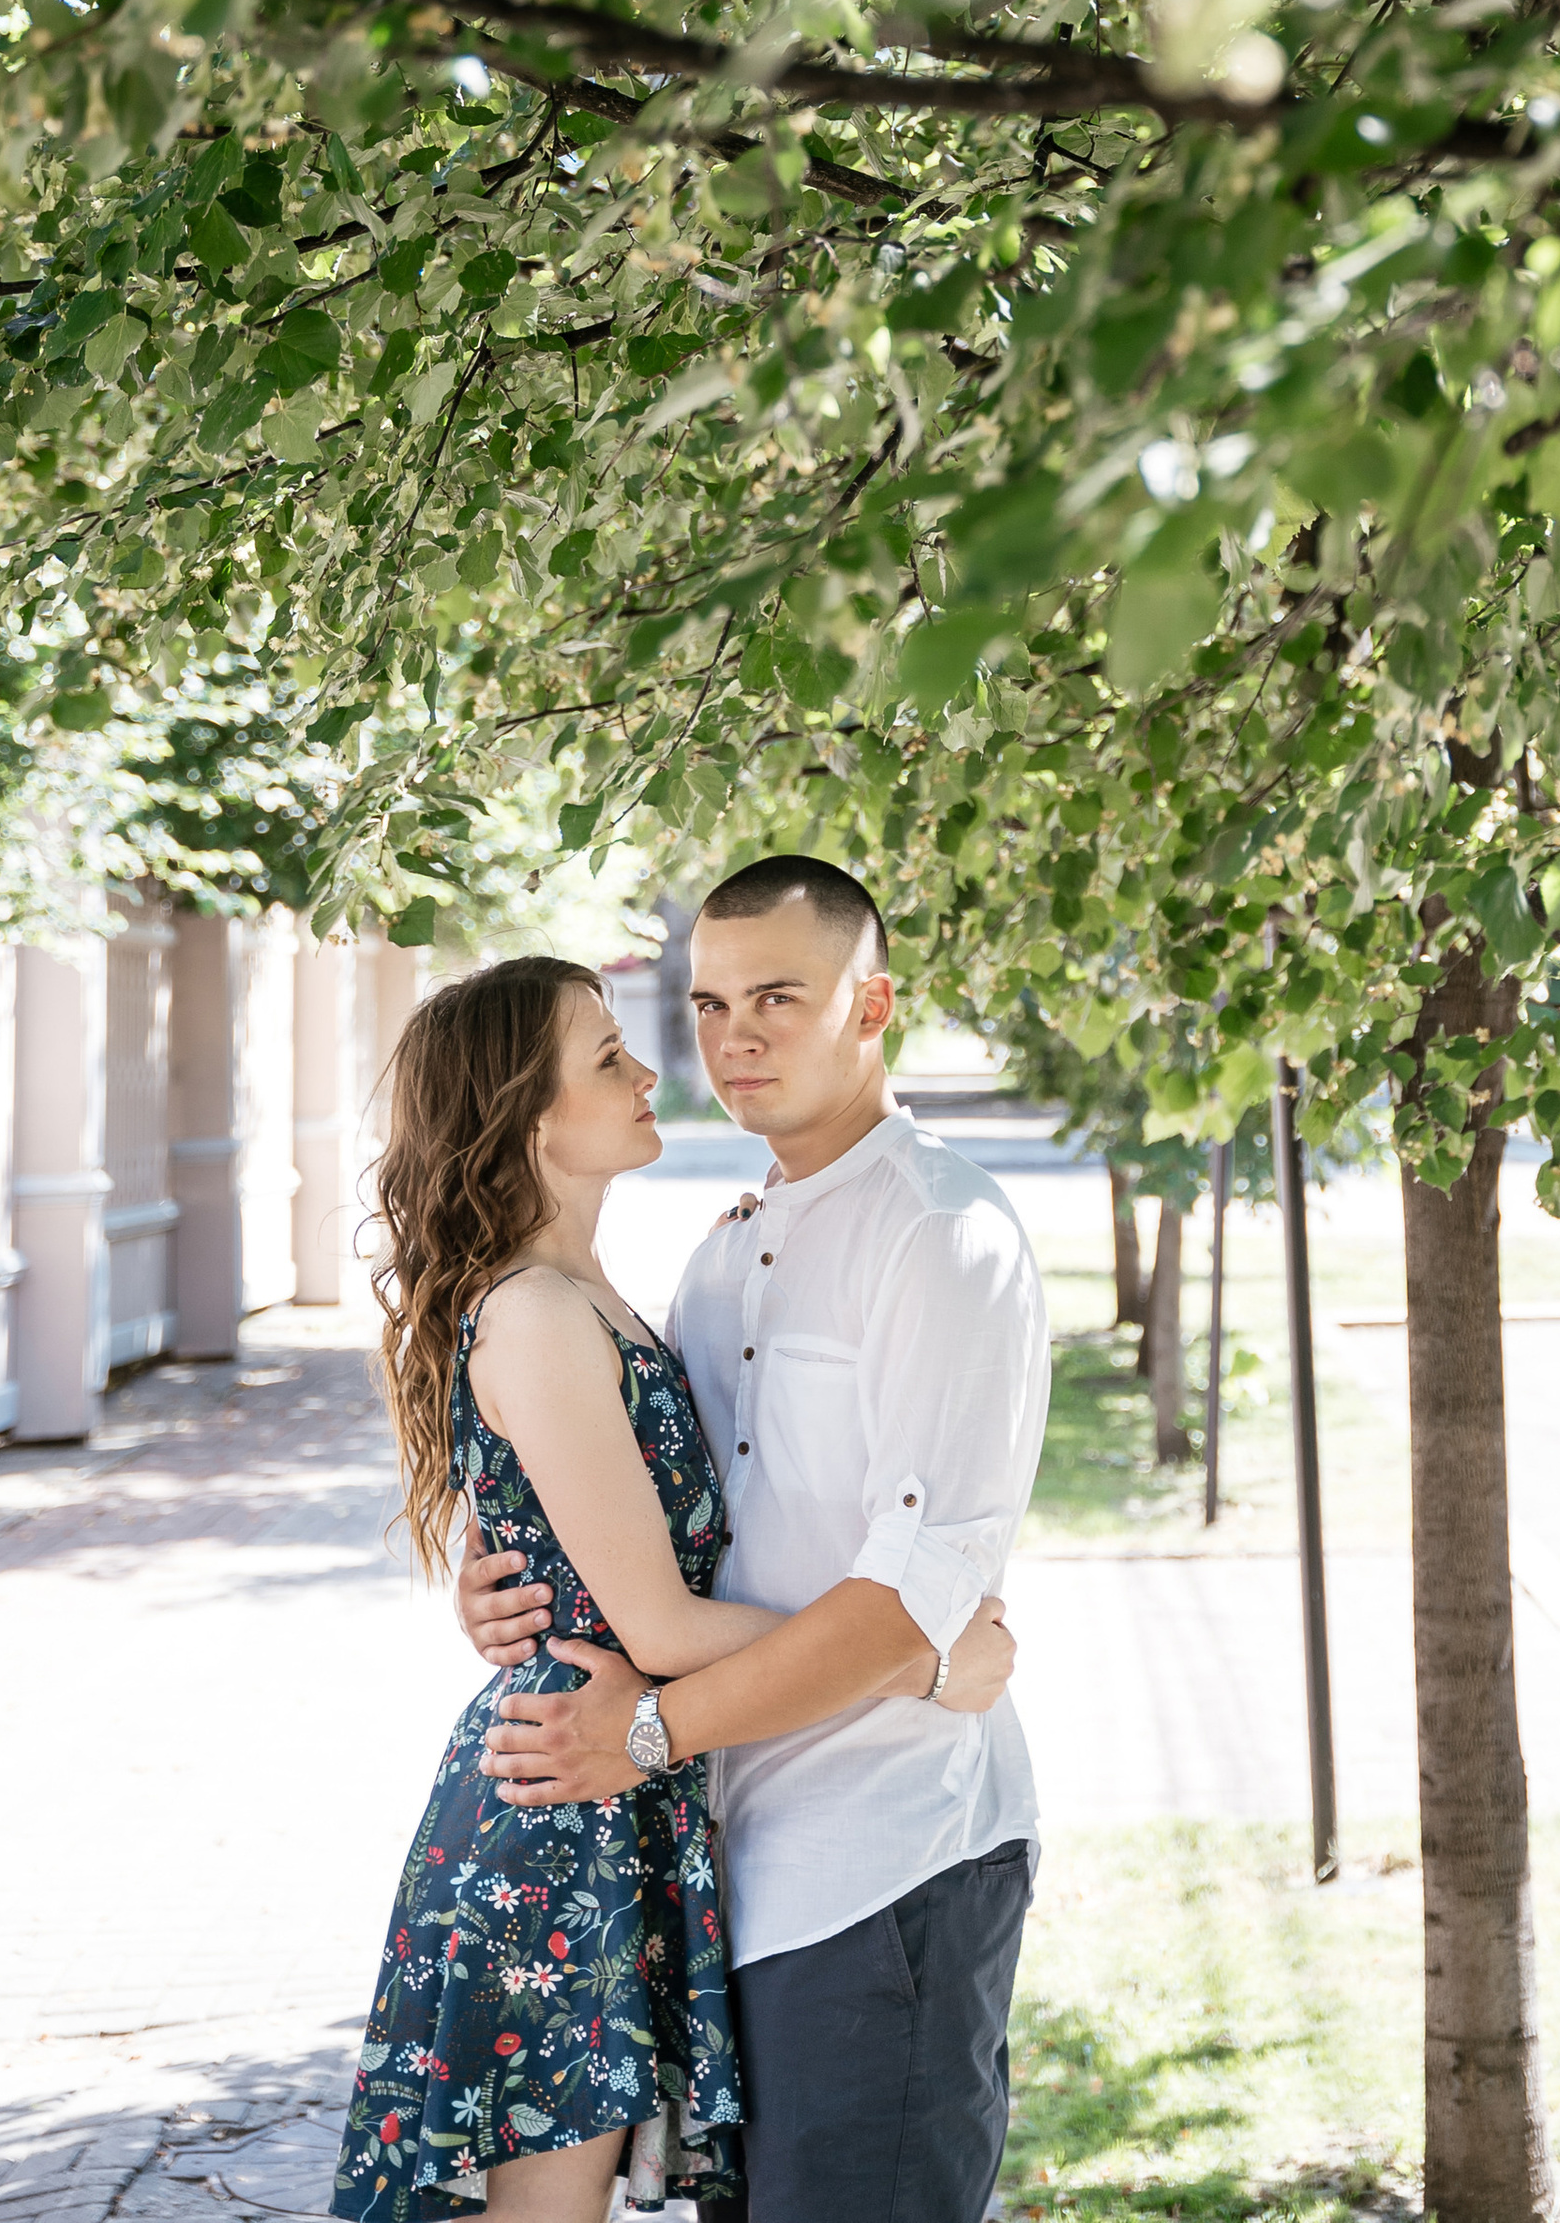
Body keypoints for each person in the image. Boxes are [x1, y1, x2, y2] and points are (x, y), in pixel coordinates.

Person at [334, 950, 1015, 2223]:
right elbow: (653, 1623)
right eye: (606, 1059)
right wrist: (917, 1654)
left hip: (618, 1786)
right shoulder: (538, 1312)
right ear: (527, 1118)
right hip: (564, 1805)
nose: (653, 1068)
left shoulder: (601, 1296)